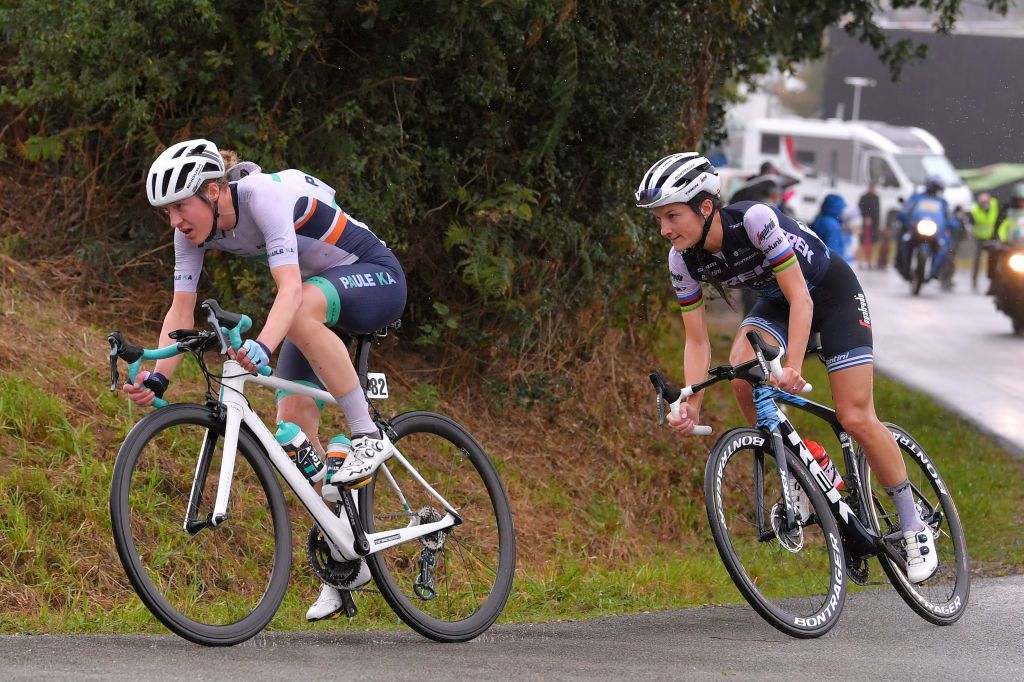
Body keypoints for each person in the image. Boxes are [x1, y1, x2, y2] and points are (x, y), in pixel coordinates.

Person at [126, 138, 408, 621]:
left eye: (179, 206)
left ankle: (366, 435)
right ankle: (346, 553)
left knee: (295, 312)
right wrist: (157, 379)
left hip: (372, 276)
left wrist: (265, 345)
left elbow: (290, 288)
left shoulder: (263, 196)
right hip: (316, 299)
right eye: (166, 212)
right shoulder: (191, 234)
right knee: (292, 432)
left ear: (213, 190)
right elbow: (181, 309)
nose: (174, 221)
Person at [635, 152, 938, 583]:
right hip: (777, 304)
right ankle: (802, 462)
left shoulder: (755, 221)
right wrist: (693, 401)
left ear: (705, 207)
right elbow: (698, 339)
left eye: (671, 216)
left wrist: (792, 366)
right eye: (658, 219)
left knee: (854, 415)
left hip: (830, 297)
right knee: (742, 369)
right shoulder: (682, 260)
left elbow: (803, 297)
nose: (664, 229)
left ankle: (913, 526)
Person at [895, 175, 959, 287]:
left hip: (935, 232)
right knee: (902, 238)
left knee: (946, 244)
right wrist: (903, 216)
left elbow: (948, 217)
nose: (936, 190)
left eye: (938, 188)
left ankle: (937, 271)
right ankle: (901, 265)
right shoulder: (917, 198)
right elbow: (906, 210)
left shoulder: (942, 202)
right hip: (915, 230)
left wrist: (952, 223)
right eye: (935, 187)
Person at [809, 194, 846, 259]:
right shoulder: (832, 226)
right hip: (829, 265)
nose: (842, 212)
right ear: (836, 209)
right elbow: (833, 252)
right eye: (841, 209)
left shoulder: (819, 219)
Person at [857, 183, 881, 269]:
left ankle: (869, 262)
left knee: (872, 244)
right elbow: (860, 208)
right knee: (862, 242)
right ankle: (859, 262)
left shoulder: (876, 198)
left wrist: (877, 224)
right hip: (864, 224)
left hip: (874, 225)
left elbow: (877, 211)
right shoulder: (864, 197)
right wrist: (865, 217)